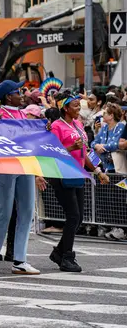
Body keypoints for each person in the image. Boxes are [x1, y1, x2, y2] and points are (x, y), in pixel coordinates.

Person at [0, 80, 45, 275]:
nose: (22, 94)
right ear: (9, 96)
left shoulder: (23, 115)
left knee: (26, 212)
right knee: (5, 213)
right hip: (3, 166)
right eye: (19, 91)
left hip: (24, 165)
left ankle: (20, 260)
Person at [49, 91, 109, 272]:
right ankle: (67, 257)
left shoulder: (78, 124)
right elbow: (51, 152)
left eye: (79, 105)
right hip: (61, 175)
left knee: (79, 217)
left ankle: (59, 252)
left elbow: (86, 151)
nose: (78, 109)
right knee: (73, 216)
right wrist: (69, 147)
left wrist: (98, 171)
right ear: (65, 108)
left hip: (78, 174)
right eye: (75, 106)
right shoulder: (56, 127)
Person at [91, 103, 126, 173]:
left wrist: (102, 146)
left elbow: (115, 144)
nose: (102, 114)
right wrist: (96, 146)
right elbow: (93, 142)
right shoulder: (104, 127)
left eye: (105, 113)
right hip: (102, 166)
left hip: (115, 167)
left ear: (111, 116)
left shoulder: (120, 126)